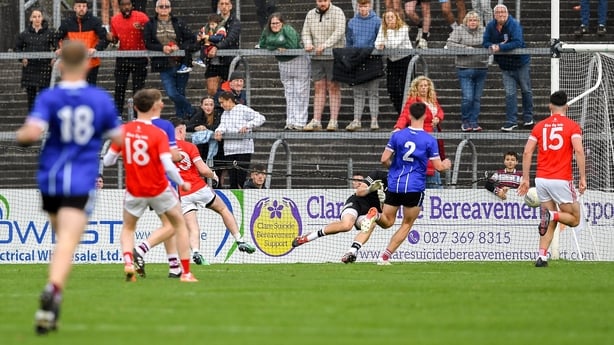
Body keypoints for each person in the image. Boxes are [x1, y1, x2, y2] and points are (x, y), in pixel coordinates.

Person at [15, 40, 123, 335]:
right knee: (67, 242)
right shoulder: (99, 99)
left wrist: (21, 135)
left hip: (49, 178)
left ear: (60, 64)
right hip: (81, 179)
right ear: (88, 64)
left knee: (59, 236)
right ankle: (53, 289)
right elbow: (119, 137)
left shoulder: (49, 97)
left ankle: (49, 309)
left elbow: (32, 132)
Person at [102, 88, 198, 282]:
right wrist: (182, 182)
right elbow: (168, 164)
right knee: (178, 224)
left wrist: (126, 153)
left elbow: (108, 161)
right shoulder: (159, 132)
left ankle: (129, 263)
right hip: (159, 186)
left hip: (134, 189)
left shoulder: (123, 131)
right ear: (156, 106)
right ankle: (185, 272)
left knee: (128, 228)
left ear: (135, 107)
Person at [360, 103, 452, 265]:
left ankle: (375, 215)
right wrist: (446, 164)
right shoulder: (429, 139)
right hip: (414, 187)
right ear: (425, 116)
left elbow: (383, 159)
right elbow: (438, 167)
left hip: (395, 184)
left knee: (387, 221)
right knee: (407, 224)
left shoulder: (397, 135)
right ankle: (384, 257)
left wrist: (394, 168)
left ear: (409, 115)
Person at [171, 117, 256, 264]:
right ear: (180, 130)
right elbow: (203, 170)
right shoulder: (189, 147)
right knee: (223, 209)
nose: (185, 134)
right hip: (198, 188)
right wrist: (214, 175)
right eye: (184, 131)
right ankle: (240, 240)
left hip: (183, 193)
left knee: (192, 225)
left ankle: (196, 252)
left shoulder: (165, 150)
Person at [518, 91, 587, 268]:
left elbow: (527, 152)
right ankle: (550, 215)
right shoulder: (573, 126)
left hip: (541, 179)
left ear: (549, 106)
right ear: (567, 107)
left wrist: (525, 178)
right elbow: (579, 151)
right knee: (574, 219)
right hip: (561, 179)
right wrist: (582, 177)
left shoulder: (539, 126)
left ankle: (541, 257)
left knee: (552, 220)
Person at [292, 171, 387, 264]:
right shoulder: (377, 175)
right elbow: (359, 192)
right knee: (346, 225)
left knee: (371, 223)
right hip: (356, 203)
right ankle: (308, 237)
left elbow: (385, 214)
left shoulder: (398, 189)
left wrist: (383, 201)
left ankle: (351, 252)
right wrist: (370, 189)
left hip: (369, 212)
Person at [483, 4, 534, 132]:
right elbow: (485, 42)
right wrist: (493, 46)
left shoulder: (514, 24)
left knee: (526, 90)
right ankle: (511, 121)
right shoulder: (490, 26)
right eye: (498, 12)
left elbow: (517, 42)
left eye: (503, 12)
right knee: (510, 93)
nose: (500, 14)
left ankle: (528, 118)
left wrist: (500, 47)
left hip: (520, 63)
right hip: (505, 66)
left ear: (507, 13)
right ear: (494, 15)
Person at [143, 0, 197, 118]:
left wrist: (180, 47)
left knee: (180, 92)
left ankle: (181, 119)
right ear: (156, 9)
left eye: (166, 6)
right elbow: (147, 43)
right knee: (172, 94)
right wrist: (162, 48)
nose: (164, 8)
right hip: (164, 64)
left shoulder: (178, 22)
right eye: (161, 6)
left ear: (170, 9)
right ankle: (193, 111)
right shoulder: (150, 24)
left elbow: (192, 38)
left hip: (181, 63)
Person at [258, 12, 310, 130]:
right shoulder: (267, 31)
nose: (275, 25)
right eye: (272, 23)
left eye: (277, 23)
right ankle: (290, 121)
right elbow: (262, 44)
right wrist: (276, 47)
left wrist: (274, 44)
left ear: (282, 23)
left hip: (298, 61)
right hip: (283, 63)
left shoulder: (288, 29)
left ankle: (300, 122)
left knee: (300, 92)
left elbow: (292, 45)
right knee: (289, 93)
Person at [301, 0, 346, 131]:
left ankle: (333, 121)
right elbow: (305, 32)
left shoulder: (338, 12)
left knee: (333, 87)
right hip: (316, 57)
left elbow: (339, 32)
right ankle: (316, 120)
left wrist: (325, 45)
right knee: (318, 87)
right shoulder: (310, 14)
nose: (322, 3)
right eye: (320, 1)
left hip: (334, 56)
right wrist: (308, 43)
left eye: (325, 1)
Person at [394, 76, 445, 189]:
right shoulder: (413, 101)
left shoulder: (432, 99)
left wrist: (438, 118)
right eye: (421, 86)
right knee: (428, 160)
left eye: (425, 86)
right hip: (423, 134)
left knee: (434, 158)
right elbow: (404, 115)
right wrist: (398, 128)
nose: (423, 88)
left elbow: (440, 111)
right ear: (416, 88)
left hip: (434, 133)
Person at [446, 10, 488, 132]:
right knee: (468, 97)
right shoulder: (460, 30)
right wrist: (466, 49)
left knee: (476, 98)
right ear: (466, 21)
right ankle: (465, 121)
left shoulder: (484, 31)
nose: (473, 22)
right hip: (465, 68)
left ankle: (474, 122)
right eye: (470, 20)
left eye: (475, 20)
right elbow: (450, 44)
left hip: (481, 68)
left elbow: (490, 43)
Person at [214, 91, 266, 189]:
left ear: (229, 100)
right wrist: (218, 131)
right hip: (229, 150)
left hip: (243, 149)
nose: (221, 105)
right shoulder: (225, 113)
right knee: (232, 179)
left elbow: (261, 118)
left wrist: (247, 126)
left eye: (222, 102)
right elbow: (223, 125)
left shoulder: (243, 109)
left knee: (241, 178)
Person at [344, 0, 382, 132]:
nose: (363, 8)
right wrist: (349, 59)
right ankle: (356, 120)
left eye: (365, 6)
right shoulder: (352, 22)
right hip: (356, 60)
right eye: (361, 6)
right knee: (358, 93)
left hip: (373, 59)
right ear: (357, 6)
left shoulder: (377, 21)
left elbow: (380, 38)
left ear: (370, 6)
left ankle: (374, 120)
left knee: (373, 92)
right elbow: (348, 42)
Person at [109, 0, 150, 119]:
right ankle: (117, 115)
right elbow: (115, 39)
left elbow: (151, 33)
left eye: (128, 4)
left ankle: (139, 115)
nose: (126, 7)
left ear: (132, 5)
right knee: (119, 87)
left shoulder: (142, 17)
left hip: (139, 56)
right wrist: (110, 38)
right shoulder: (115, 19)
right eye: (123, 5)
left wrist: (143, 29)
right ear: (119, 6)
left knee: (138, 89)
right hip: (123, 56)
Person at [55, 0, 108, 85]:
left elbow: (105, 38)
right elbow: (56, 37)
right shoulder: (67, 22)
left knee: (89, 91)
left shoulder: (95, 21)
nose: (82, 8)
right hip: (74, 63)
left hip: (91, 63)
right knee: (75, 91)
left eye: (84, 6)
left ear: (87, 8)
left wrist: (96, 49)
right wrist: (59, 48)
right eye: (79, 6)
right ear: (74, 8)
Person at [14, 8, 56, 112]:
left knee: (44, 96)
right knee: (31, 98)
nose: (37, 19)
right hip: (30, 68)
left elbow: (57, 47)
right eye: (34, 16)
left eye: (39, 16)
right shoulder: (24, 34)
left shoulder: (49, 33)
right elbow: (17, 48)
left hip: (44, 68)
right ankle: (32, 120)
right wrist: (22, 57)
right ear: (30, 19)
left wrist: (54, 58)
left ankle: (44, 120)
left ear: (42, 18)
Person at [375, 9, 413, 115]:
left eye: (392, 17)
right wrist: (380, 43)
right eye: (387, 18)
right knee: (392, 88)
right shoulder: (382, 28)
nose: (390, 20)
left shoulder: (403, 28)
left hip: (405, 60)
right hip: (392, 61)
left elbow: (394, 45)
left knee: (406, 88)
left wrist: (388, 33)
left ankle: (408, 112)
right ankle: (401, 112)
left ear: (396, 18)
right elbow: (377, 43)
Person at [205, 0, 241, 97]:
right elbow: (206, 32)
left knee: (227, 92)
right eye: (222, 4)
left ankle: (223, 108)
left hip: (228, 60)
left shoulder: (235, 22)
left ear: (230, 6)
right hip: (213, 61)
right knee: (212, 90)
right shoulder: (213, 20)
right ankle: (218, 108)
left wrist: (217, 46)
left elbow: (230, 38)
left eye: (226, 4)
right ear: (218, 6)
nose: (224, 6)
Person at [187, 96, 221, 162]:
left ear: (214, 106)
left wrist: (205, 127)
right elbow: (188, 126)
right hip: (202, 148)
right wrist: (195, 128)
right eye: (206, 105)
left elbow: (217, 126)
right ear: (201, 106)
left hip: (218, 148)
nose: (208, 107)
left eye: (211, 105)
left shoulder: (218, 114)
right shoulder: (199, 114)